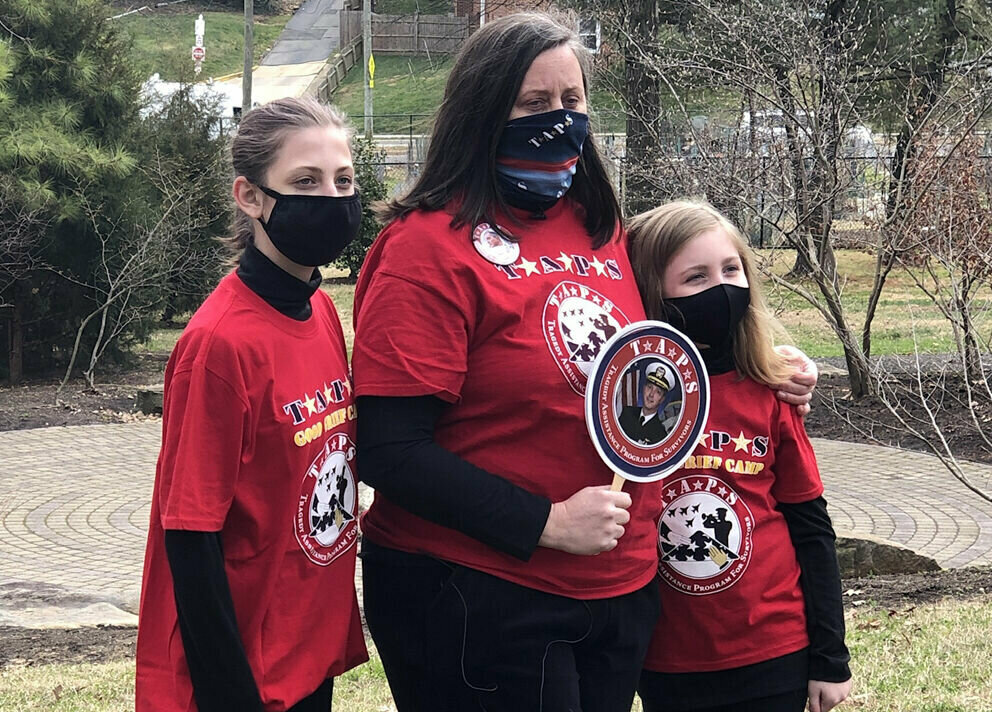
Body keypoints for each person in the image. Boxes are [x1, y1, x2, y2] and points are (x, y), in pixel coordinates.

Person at [351, 13, 817, 712]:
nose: (560, 119)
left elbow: (663, 349)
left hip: (618, 592)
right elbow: (390, 451)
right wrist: (544, 523)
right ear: (482, 111)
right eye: (534, 103)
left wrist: (767, 363)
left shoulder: (600, 229)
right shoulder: (425, 248)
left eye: (573, 100)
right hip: (480, 591)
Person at [135, 97, 368, 712]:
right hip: (244, 677)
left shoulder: (321, 309)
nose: (331, 198)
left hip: (304, 652)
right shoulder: (218, 346)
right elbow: (190, 538)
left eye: (343, 180)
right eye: (305, 181)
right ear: (250, 196)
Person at [627, 200, 852, 712]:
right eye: (696, 277)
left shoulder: (774, 391)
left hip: (774, 647)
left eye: (732, 270)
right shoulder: (627, 403)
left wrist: (830, 656)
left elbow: (811, 528)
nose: (722, 288)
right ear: (652, 291)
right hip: (667, 657)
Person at [619, 365, 673, 444]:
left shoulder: (660, 436)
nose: (651, 394)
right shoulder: (627, 413)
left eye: (658, 392)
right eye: (649, 387)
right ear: (644, 388)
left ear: (662, 399)